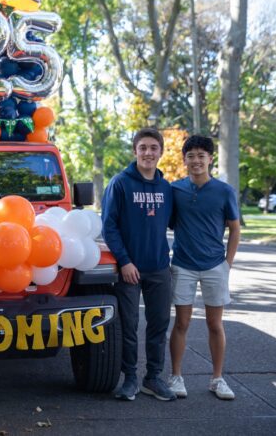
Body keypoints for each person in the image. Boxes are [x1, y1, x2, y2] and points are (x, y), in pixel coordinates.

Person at [101, 127, 176, 401]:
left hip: (158, 267)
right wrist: (124, 261)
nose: (148, 152)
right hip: (129, 269)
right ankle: (130, 378)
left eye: (153, 148)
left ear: (160, 152)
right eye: (143, 147)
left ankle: (153, 378)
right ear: (135, 151)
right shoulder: (120, 183)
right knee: (129, 325)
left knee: (159, 325)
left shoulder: (166, 188)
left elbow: (173, 222)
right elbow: (109, 226)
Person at [168, 135, 241, 400]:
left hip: (214, 266)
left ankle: (217, 379)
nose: (196, 160)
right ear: (184, 160)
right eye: (191, 156)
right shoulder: (175, 189)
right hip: (183, 265)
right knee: (182, 322)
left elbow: (235, 229)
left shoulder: (224, 191)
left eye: (201, 155)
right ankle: (176, 377)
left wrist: (227, 264)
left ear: (210, 159)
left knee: (214, 324)